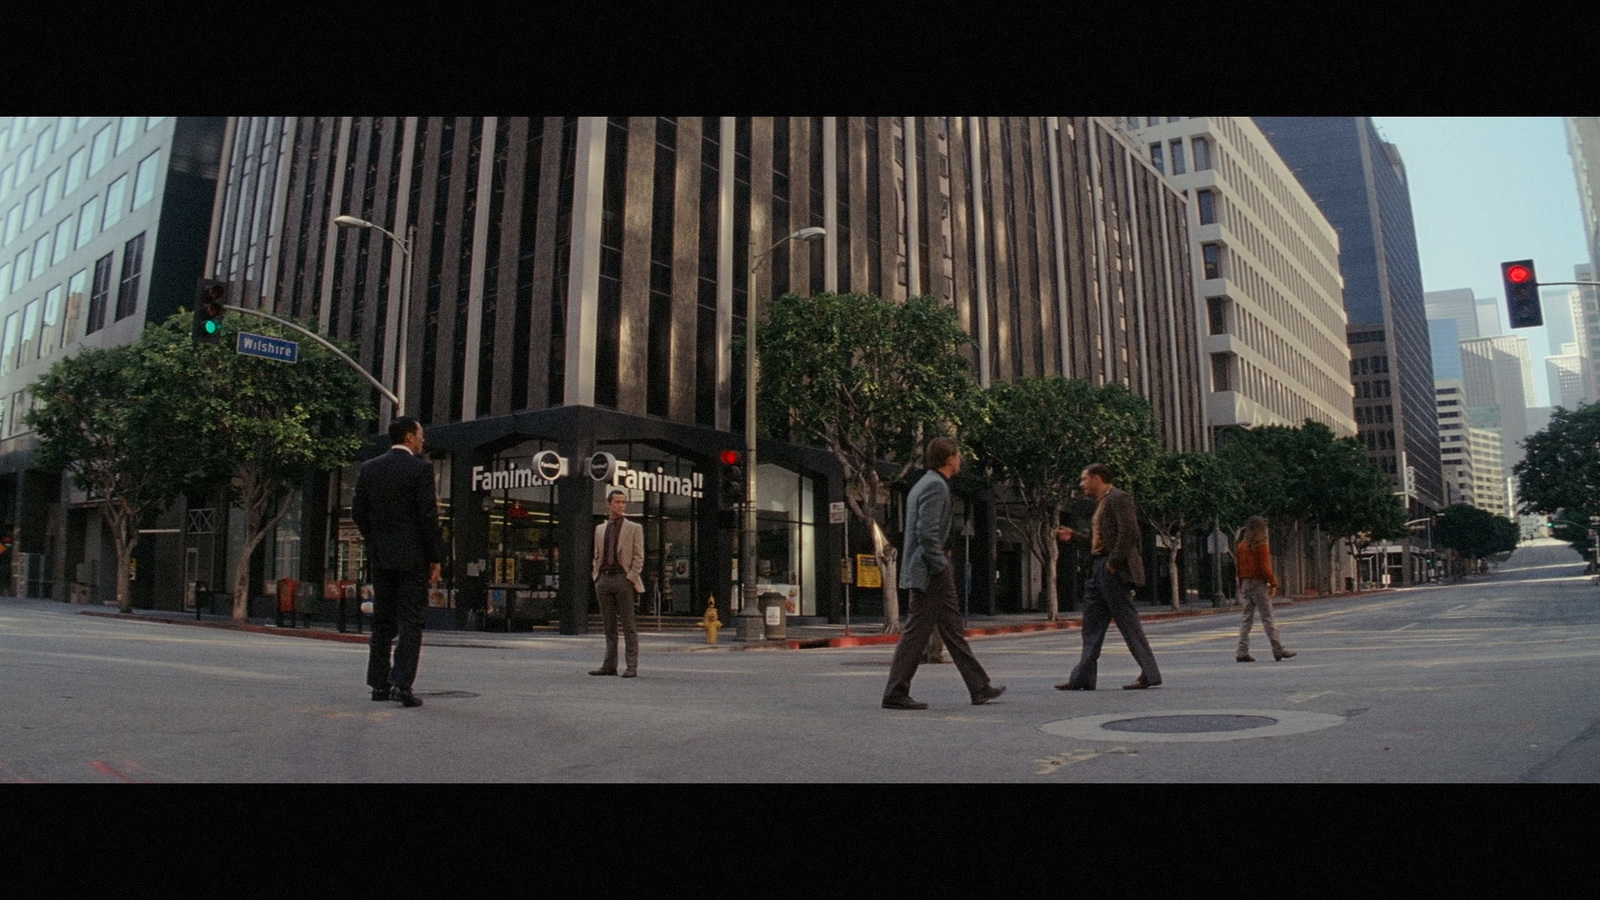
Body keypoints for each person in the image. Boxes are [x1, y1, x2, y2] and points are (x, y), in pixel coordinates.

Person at [882, 437, 1006, 710]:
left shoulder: (925, 483)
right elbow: (927, 534)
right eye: (958, 456)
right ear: (950, 458)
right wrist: (942, 565)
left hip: (929, 569)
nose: (960, 460)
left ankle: (979, 687)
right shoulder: (936, 486)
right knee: (917, 632)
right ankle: (895, 691)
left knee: (952, 630)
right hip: (931, 571)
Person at [352, 416, 444, 709]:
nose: (423, 440)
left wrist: (376, 539)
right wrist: (435, 557)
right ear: (408, 437)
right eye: (420, 435)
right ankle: (402, 684)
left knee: (382, 621)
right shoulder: (420, 470)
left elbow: (358, 513)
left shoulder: (369, 468)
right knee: (411, 621)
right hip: (412, 557)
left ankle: (379, 683)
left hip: (381, 557)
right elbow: (427, 517)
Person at [1054, 463, 1163, 691]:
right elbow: (1098, 543)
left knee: (1127, 623)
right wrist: (1073, 536)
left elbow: (1129, 532)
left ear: (1096, 478)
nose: (1081, 484)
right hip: (1098, 567)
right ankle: (1082, 677)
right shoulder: (1101, 503)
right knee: (1091, 625)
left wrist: (1113, 563)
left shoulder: (1119, 498)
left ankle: (1150, 674)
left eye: (1084, 479)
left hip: (1111, 569)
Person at [590, 489, 644, 678]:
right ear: (608, 504)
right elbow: (597, 554)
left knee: (629, 625)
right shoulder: (600, 529)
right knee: (608, 626)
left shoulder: (634, 528)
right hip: (604, 579)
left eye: (623, 502)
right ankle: (609, 665)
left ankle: (631, 666)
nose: (621, 505)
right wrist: (596, 575)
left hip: (623, 579)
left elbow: (639, 556)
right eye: (617, 502)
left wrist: (630, 577)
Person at [1235, 516, 1295, 662]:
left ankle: (1241, 651)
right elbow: (1265, 568)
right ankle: (1278, 649)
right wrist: (1273, 583)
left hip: (1246, 584)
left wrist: (1241, 584)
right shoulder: (1261, 546)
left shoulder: (1241, 546)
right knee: (1268, 618)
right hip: (1258, 585)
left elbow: (1239, 567)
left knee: (1246, 620)